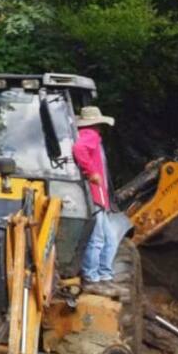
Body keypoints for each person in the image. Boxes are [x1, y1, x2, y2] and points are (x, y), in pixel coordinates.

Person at [73, 105, 119, 294]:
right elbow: (79, 149)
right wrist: (91, 171)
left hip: (100, 196)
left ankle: (105, 275)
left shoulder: (91, 136)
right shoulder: (89, 135)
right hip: (96, 195)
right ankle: (92, 277)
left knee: (110, 238)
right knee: (98, 238)